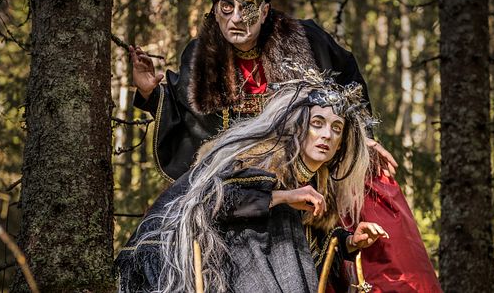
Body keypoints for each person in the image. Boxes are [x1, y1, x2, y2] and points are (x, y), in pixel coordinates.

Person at [128, 0, 398, 182]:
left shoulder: (307, 39)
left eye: (247, 8)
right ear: (215, 10)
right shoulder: (200, 55)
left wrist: (362, 137)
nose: (236, 18)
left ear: (265, 11)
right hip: (232, 181)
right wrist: (151, 91)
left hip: (303, 174)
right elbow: (188, 117)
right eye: (227, 7)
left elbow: (348, 87)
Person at [116, 77, 388, 292]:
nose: (327, 135)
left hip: (228, 269)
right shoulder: (258, 156)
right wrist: (281, 197)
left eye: (336, 128)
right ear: (297, 126)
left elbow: (309, 256)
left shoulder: (318, 184)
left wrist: (350, 241)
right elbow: (210, 204)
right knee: (280, 216)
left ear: (342, 143)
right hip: (165, 260)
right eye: (318, 123)